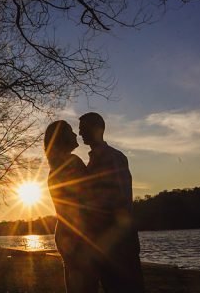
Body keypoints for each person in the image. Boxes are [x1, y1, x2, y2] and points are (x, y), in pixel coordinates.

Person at [78, 112, 145, 293]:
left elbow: (120, 198)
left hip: (119, 240)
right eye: (79, 130)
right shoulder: (93, 161)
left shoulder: (113, 158)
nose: (80, 133)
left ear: (97, 129)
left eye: (83, 129)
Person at [44, 120, 98, 293]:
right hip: (78, 234)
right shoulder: (72, 162)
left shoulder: (54, 168)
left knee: (75, 283)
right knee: (87, 285)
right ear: (62, 138)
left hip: (65, 233)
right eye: (71, 131)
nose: (76, 134)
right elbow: (89, 196)